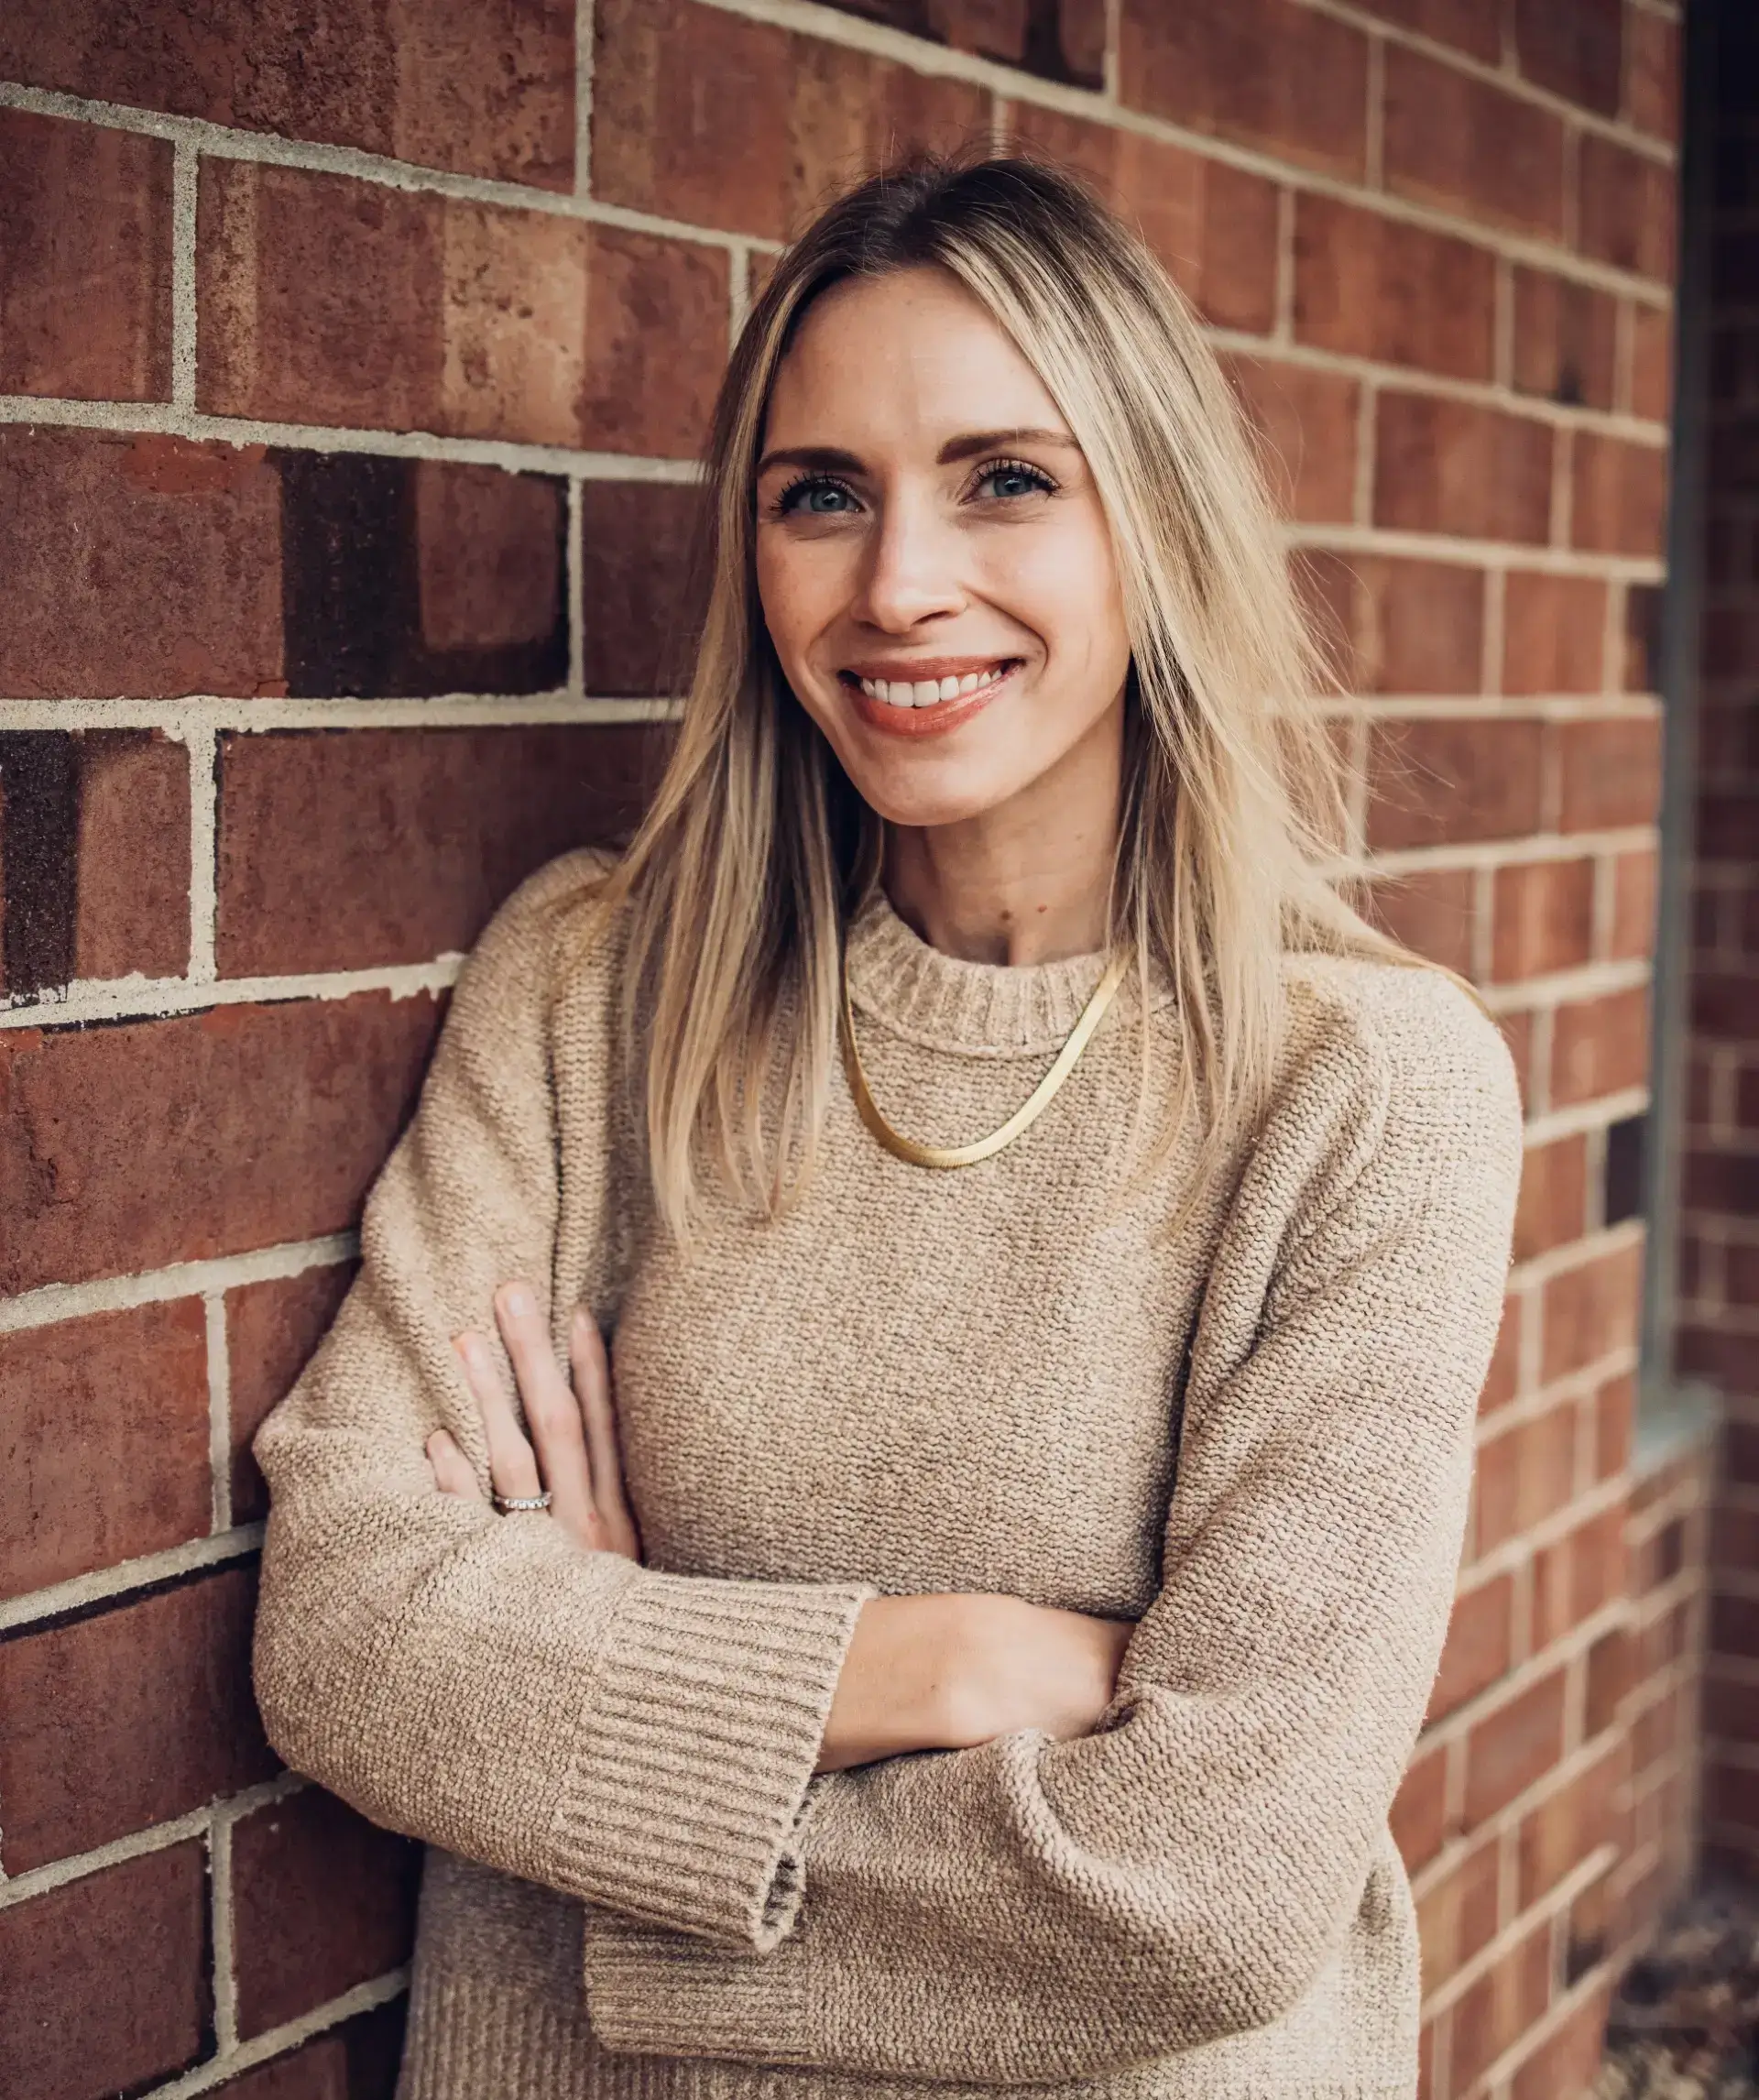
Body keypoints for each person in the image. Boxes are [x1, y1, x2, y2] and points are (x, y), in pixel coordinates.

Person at [252, 156, 1523, 2100]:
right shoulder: (597, 990)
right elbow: (346, 1627)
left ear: (1151, 525)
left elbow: (1211, 1887)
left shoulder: (1363, 1091)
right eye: (820, 495)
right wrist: (927, 1668)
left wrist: (624, 1696)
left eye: (1005, 479)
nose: (897, 583)